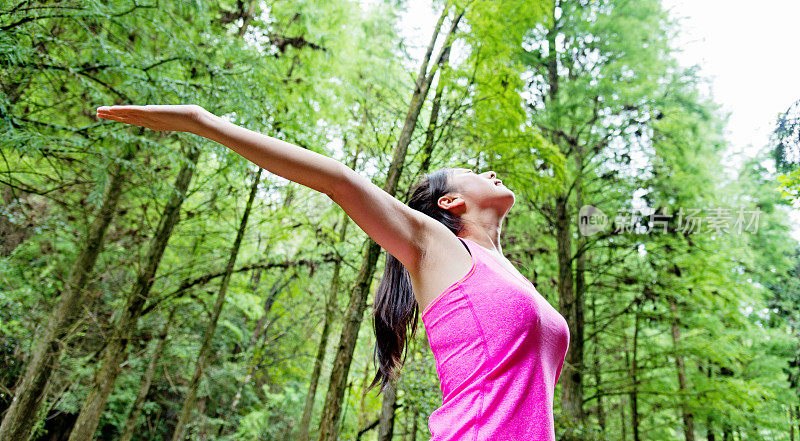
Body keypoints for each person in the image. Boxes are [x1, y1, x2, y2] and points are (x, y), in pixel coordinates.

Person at [95, 104, 570, 440]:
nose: (490, 174)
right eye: (474, 171)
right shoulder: (439, 246)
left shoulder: (512, 276)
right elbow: (338, 181)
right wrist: (204, 122)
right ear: (450, 202)